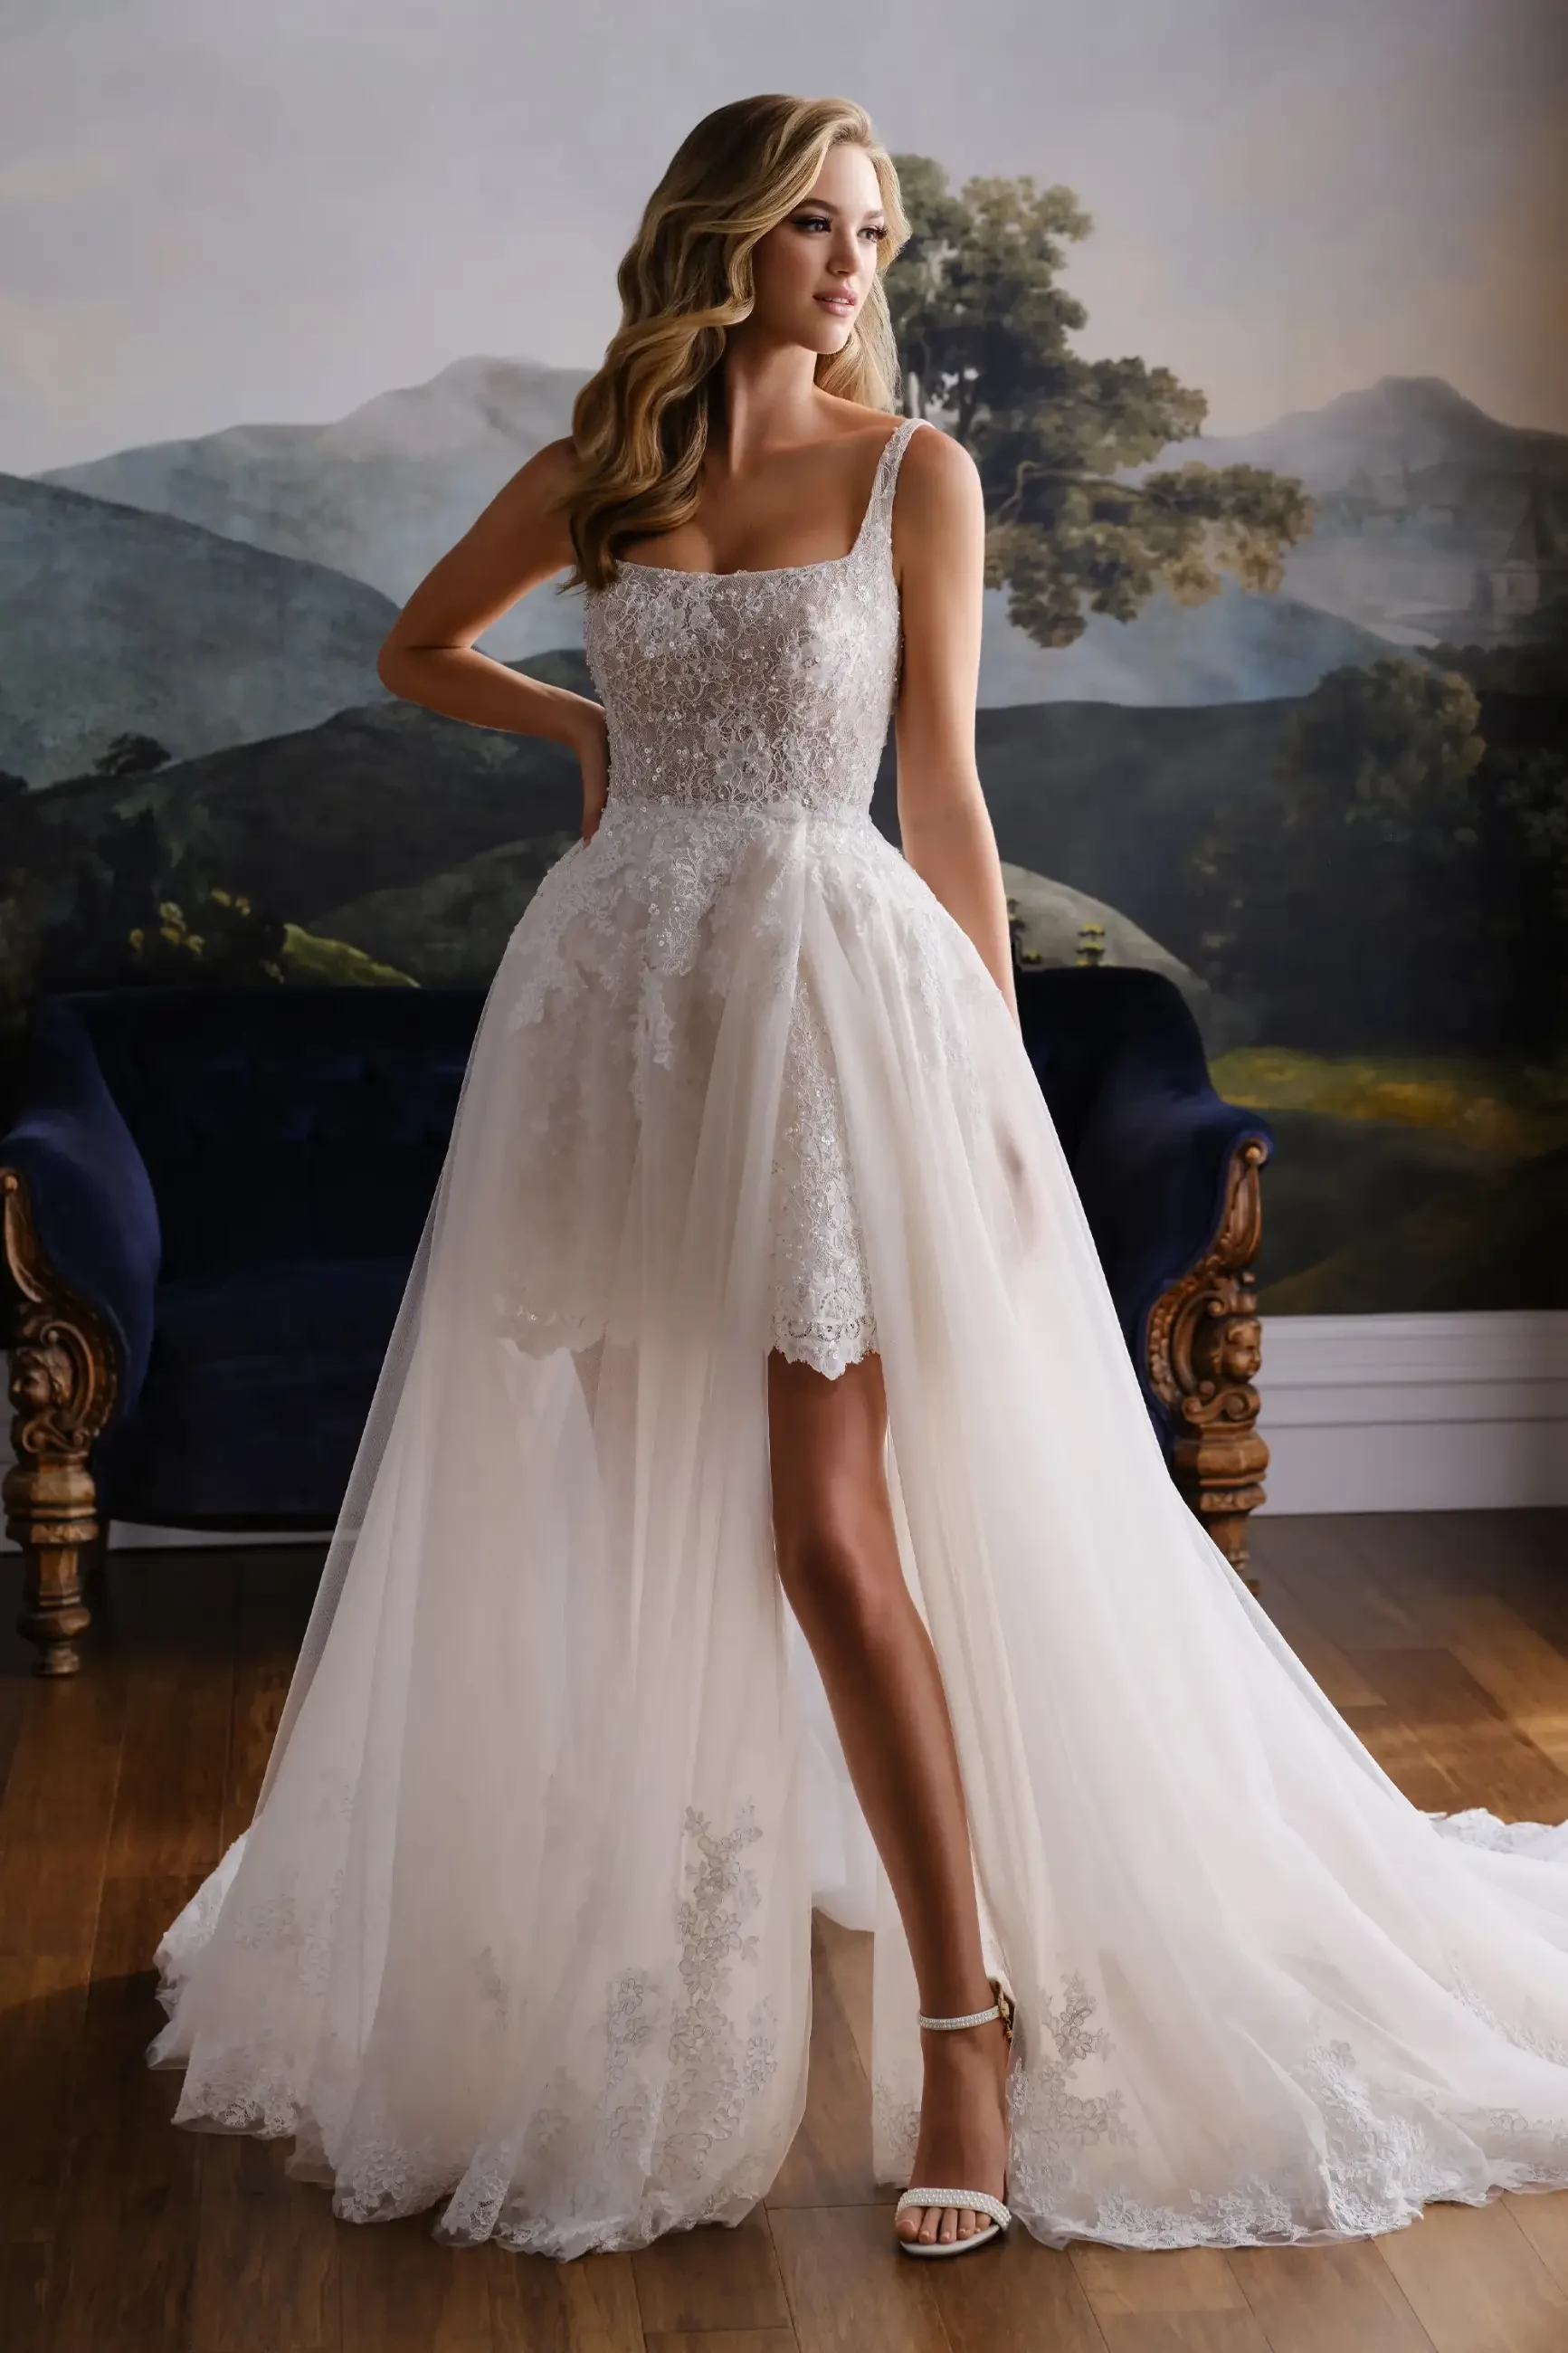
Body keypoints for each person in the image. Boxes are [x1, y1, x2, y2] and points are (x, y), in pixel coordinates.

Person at [148, 92, 1568, 2267]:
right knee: (633, 1511)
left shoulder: (915, 471)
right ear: (721, 238)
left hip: (828, 1005)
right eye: (817, 224)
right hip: (622, 1010)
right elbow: (414, 648)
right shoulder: (599, 480)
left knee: (824, 1529)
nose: (852, 265)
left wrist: (989, 1101)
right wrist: (588, 741)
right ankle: (640, 1995)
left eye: (874, 233)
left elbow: (946, 800)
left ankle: (965, 2019)